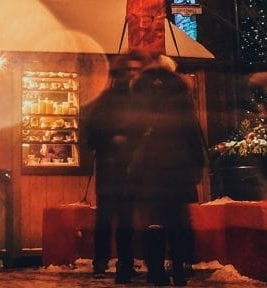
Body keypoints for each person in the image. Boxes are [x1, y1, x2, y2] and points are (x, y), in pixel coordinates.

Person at [127, 54, 203, 287]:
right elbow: (192, 129)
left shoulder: (140, 92)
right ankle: (179, 269)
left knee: (154, 222)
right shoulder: (180, 92)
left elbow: (132, 131)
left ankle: (156, 272)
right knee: (178, 221)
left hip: (149, 167)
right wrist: (197, 163)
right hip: (177, 166)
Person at [84, 51, 147, 281]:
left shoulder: (134, 99)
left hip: (125, 167)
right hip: (113, 166)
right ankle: (103, 262)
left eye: (136, 69)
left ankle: (122, 262)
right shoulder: (113, 99)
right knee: (108, 217)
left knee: (124, 219)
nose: (133, 74)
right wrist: (115, 139)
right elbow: (93, 133)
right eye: (130, 69)